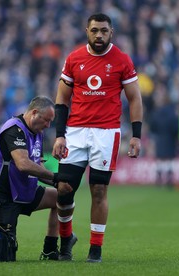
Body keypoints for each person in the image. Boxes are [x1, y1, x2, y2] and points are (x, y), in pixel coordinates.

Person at [52, 13, 143, 262]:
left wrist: (136, 136)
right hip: (76, 132)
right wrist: (60, 136)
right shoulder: (74, 59)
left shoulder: (122, 60)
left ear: (111, 32)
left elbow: (135, 98)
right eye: (95, 30)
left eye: (104, 31)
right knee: (63, 189)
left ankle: (95, 249)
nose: (99, 35)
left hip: (106, 133)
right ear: (87, 31)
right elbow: (61, 100)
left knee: (99, 190)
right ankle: (66, 238)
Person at [0, 96, 62, 261]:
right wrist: (55, 176)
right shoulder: (13, 129)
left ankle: (50, 251)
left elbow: (37, 168)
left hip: (25, 191)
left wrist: (58, 182)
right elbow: (24, 164)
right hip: (2, 197)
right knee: (4, 255)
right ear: (34, 113)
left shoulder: (37, 133)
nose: (48, 126)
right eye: (46, 120)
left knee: (60, 198)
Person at [149, 83, 179, 188]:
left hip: (160, 138)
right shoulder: (172, 112)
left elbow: (152, 127)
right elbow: (176, 126)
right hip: (170, 138)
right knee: (169, 159)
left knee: (160, 159)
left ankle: (159, 179)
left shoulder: (156, 112)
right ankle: (169, 180)